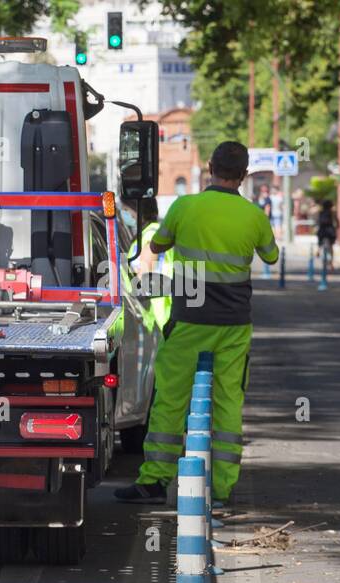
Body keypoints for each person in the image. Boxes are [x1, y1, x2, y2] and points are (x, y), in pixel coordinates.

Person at [115, 141, 278, 505]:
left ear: (209, 167)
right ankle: (221, 489)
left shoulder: (185, 207)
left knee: (170, 400)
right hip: (235, 325)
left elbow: (156, 247)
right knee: (228, 403)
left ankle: (154, 481)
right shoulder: (253, 215)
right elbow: (270, 255)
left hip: (190, 319)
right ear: (245, 175)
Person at [125, 197, 172, 333]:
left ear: (138, 211)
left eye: (126, 210)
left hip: (161, 309)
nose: (125, 213)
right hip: (155, 308)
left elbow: (144, 271)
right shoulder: (150, 232)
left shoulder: (151, 234)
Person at [316, 200, 338, 267]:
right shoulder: (332, 213)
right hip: (330, 230)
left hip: (322, 230)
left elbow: (318, 221)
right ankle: (331, 262)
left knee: (320, 242)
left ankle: (318, 250)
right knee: (331, 246)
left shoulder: (321, 212)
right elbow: (337, 221)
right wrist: (337, 226)